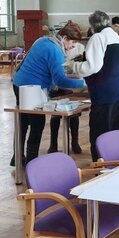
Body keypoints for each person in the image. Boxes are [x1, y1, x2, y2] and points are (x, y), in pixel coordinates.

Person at [12, 23, 85, 165]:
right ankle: (32, 162)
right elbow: (60, 80)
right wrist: (83, 83)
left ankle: (18, 157)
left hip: (19, 83)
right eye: (72, 42)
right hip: (32, 88)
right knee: (37, 124)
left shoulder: (44, 40)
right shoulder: (55, 50)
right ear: (64, 38)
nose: (73, 46)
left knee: (23, 121)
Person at [71, 10, 119, 161]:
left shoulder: (98, 37)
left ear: (93, 26)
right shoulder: (118, 39)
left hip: (107, 93)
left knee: (99, 136)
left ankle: (100, 169)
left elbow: (93, 67)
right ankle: (114, 166)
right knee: (114, 134)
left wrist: (73, 66)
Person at [48, 21, 85, 154]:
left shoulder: (80, 48)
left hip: (72, 85)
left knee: (74, 116)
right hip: (58, 86)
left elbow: (83, 66)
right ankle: (53, 144)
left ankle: (74, 142)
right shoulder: (57, 47)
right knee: (55, 115)